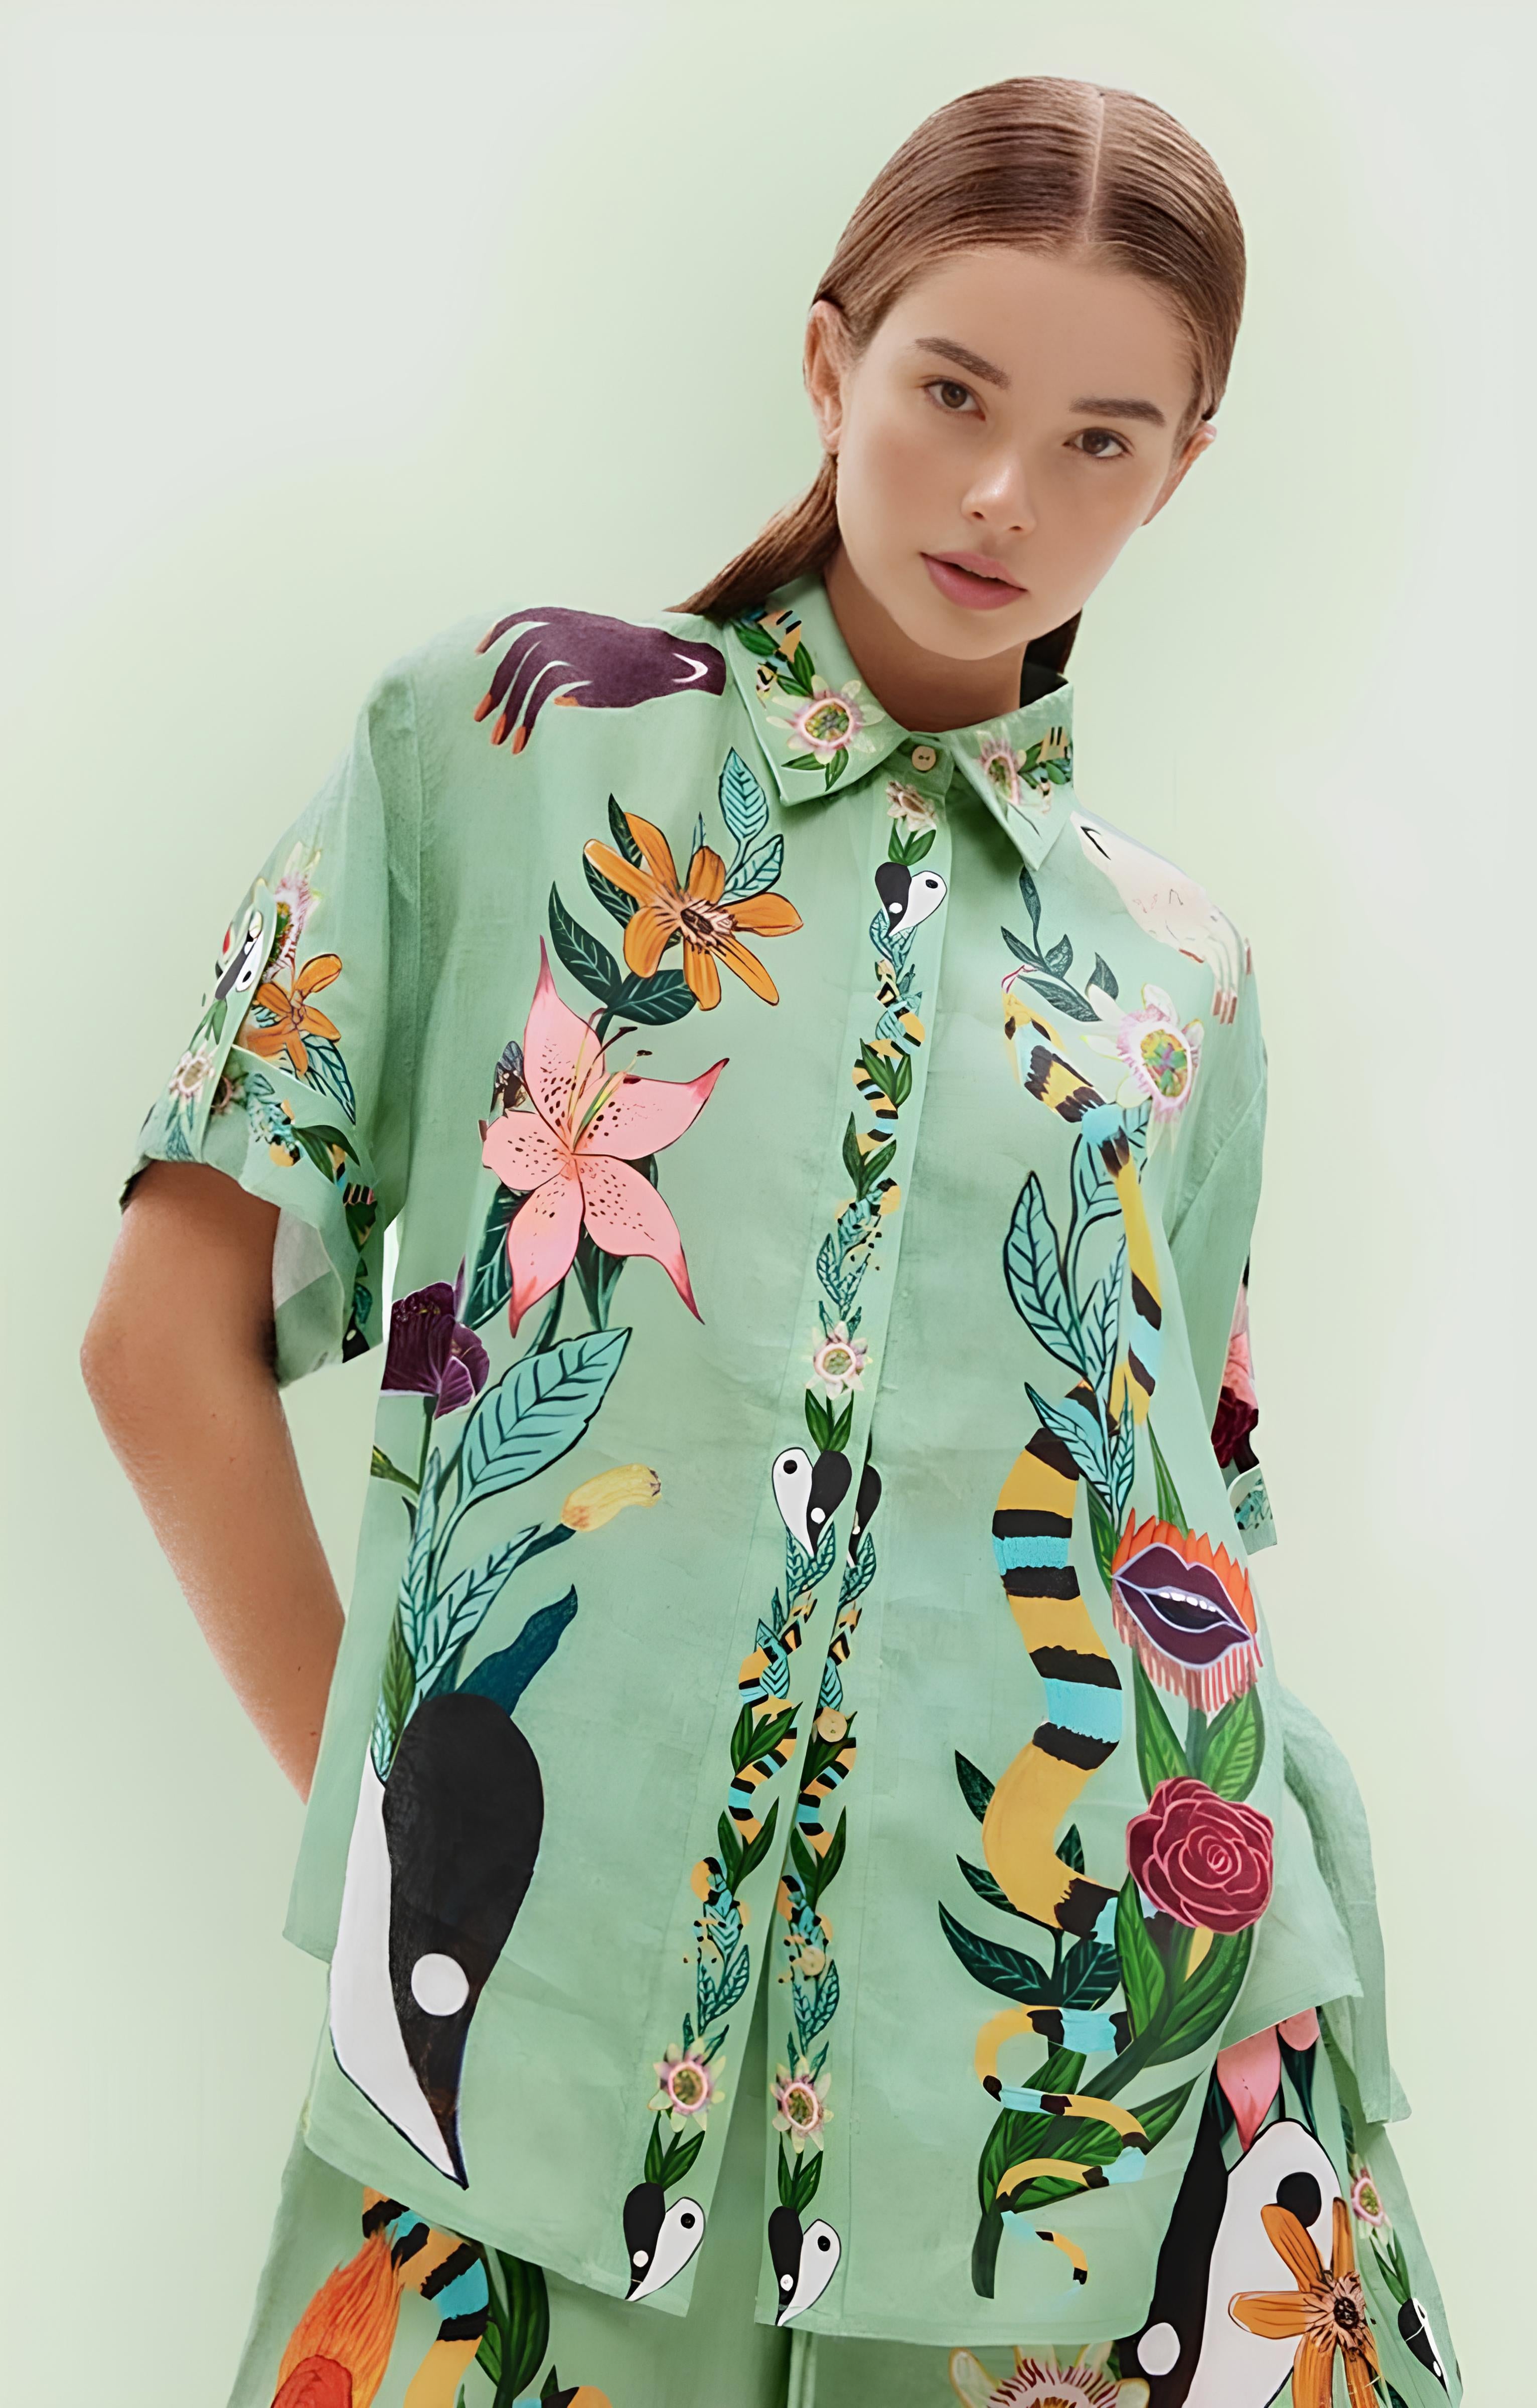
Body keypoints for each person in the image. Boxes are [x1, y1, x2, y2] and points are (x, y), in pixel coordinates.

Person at [81, 72, 1461, 2408]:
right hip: (515, 2094)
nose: (1005, 495)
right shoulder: (508, 742)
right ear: (831, 362)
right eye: (952, 394)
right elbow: (160, 1335)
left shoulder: (1179, 979)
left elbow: (1183, 1540)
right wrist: (403, 1838)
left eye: (1101, 442)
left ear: (1182, 468)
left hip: (1038, 2120)